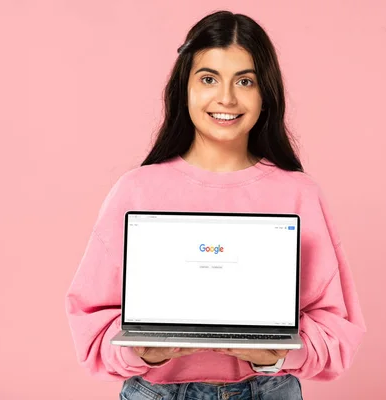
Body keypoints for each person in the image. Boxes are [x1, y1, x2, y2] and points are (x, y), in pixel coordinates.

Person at [65, 10, 366, 400]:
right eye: (208, 79)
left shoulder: (299, 194)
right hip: (156, 392)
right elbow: (89, 322)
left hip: (268, 391)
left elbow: (337, 328)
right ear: (183, 88)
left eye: (245, 81)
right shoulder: (136, 190)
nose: (226, 98)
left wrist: (277, 354)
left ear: (265, 93)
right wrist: (141, 351)